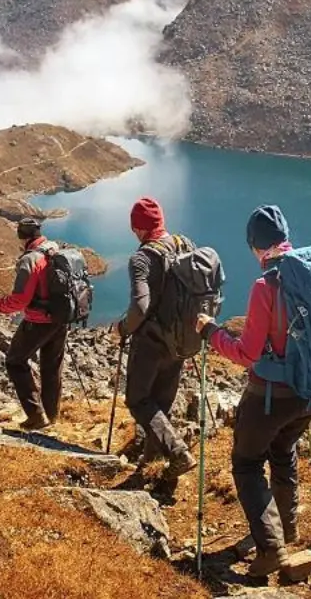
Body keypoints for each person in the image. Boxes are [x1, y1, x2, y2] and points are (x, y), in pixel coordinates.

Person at [196, 205, 311, 579]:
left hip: (271, 396)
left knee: (246, 463)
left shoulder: (267, 286)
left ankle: (270, 549)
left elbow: (247, 353)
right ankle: (287, 527)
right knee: (283, 451)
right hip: (309, 394)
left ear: (254, 246)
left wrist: (211, 333)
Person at [115, 197, 198, 480]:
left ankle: (178, 453)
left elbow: (140, 306)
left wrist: (123, 328)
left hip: (152, 343)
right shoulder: (184, 244)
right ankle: (151, 466)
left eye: (134, 228)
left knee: (138, 400)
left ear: (139, 228)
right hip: (181, 342)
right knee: (160, 405)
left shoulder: (142, 258)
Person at [0, 218, 67, 430]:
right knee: (51, 367)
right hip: (60, 318)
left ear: (22, 236)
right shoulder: (53, 248)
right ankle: (51, 416)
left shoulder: (30, 260)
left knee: (15, 361)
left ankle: (36, 415)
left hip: (38, 321)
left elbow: (19, 300)